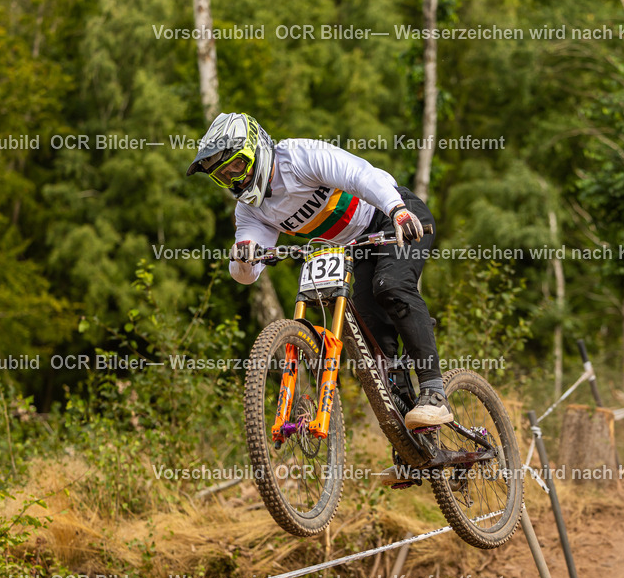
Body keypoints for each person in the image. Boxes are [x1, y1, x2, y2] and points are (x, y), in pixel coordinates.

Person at [186, 112, 452, 435]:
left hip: (391, 215)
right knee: (371, 335)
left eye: (237, 167)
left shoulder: (299, 157)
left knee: (390, 286)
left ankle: (435, 392)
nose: (235, 181)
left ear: (256, 149)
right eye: (223, 176)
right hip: (356, 248)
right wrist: (242, 256)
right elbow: (247, 274)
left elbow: (359, 175)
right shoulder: (250, 210)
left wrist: (396, 210)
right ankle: (413, 431)